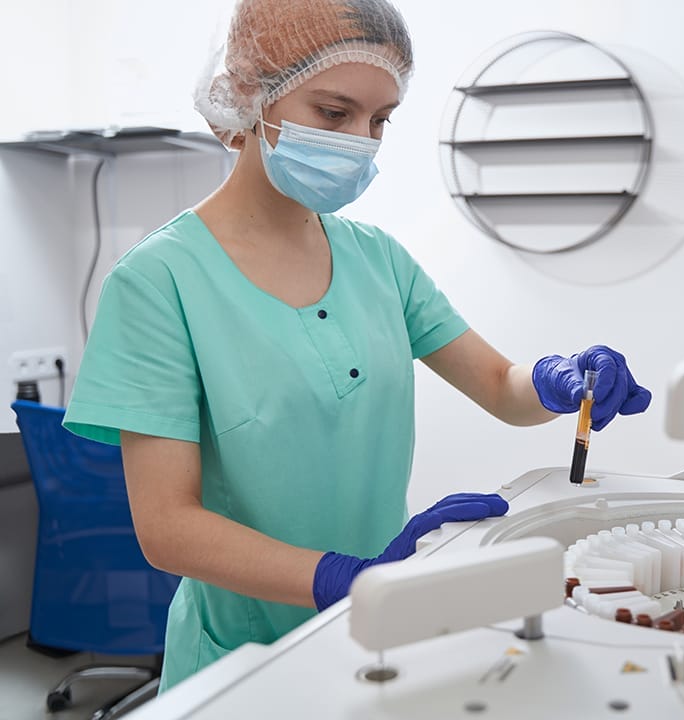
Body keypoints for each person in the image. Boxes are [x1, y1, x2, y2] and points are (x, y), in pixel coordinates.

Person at [62, 0, 651, 693]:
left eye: (380, 120)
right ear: (251, 95)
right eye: (335, 113)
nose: (361, 141)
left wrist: (557, 380)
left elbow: (498, 385)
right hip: (242, 661)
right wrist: (339, 576)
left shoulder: (378, 260)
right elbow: (168, 529)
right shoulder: (159, 282)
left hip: (378, 638)